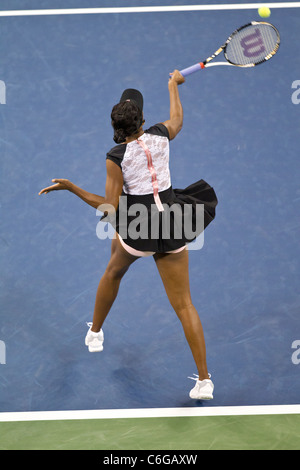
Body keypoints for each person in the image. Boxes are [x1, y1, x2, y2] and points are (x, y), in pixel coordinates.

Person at [39, 70, 218, 400]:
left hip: (140, 228)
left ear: (115, 128)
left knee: (114, 271)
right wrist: (172, 85)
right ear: (143, 119)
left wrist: (71, 188)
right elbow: (177, 117)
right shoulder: (162, 134)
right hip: (176, 222)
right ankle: (205, 380)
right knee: (184, 305)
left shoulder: (115, 158)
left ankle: (95, 332)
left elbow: (108, 207)